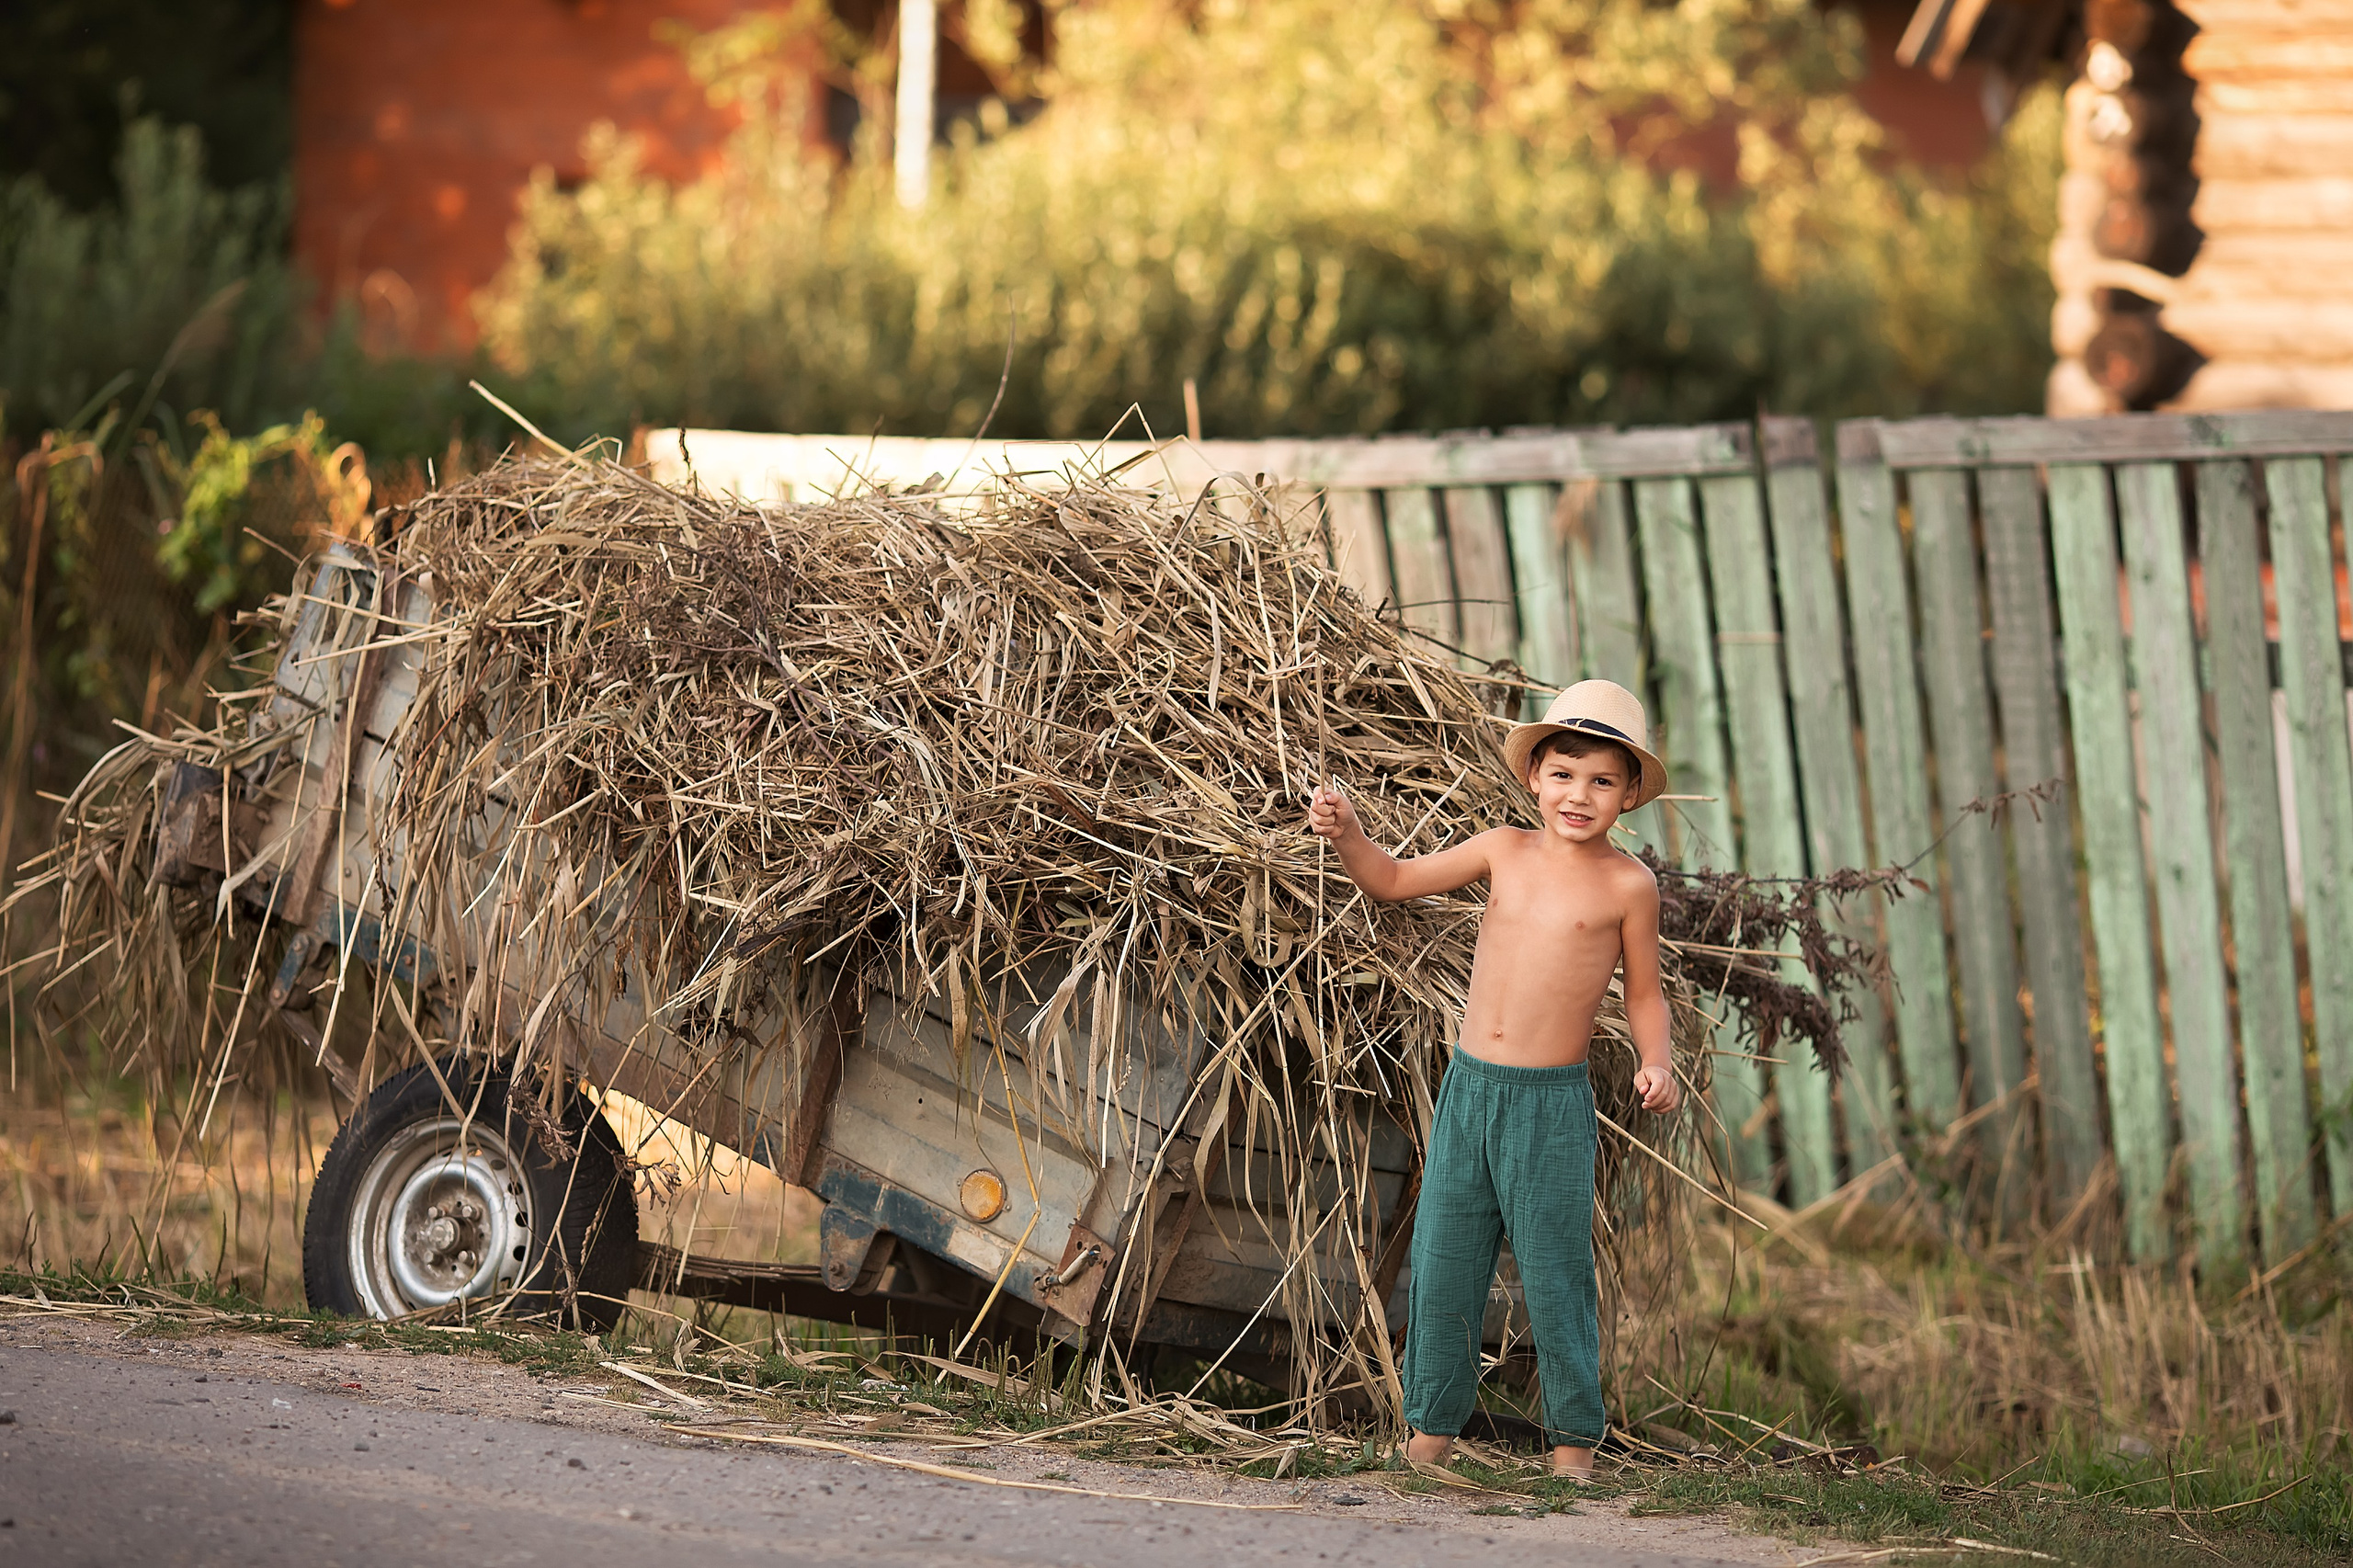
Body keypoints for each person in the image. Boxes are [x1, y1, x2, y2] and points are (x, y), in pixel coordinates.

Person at [1305, 678, 1678, 1480]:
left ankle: (1574, 1442)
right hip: (1471, 1092)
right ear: (1534, 775)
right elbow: (1393, 880)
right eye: (1564, 773)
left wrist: (1657, 1061)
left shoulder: (1628, 886)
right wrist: (1348, 834)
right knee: (1444, 1258)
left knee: (1554, 1269)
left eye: (1603, 780)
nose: (1579, 794)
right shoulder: (1501, 849)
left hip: (1549, 1107)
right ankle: (1430, 1431)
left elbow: (1644, 993)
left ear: (1630, 793)